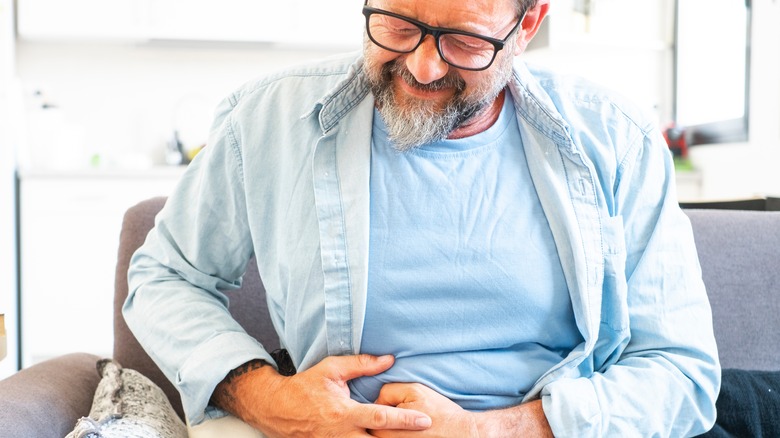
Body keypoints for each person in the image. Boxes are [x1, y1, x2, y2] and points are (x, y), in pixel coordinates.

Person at [124, 0, 721, 436]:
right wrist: (266, 396)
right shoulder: (267, 119)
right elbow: (165, 278)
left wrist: (492, 433)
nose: (424, 67)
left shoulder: (618, 139)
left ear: (527, 25)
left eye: (463, 41)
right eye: (398, 26)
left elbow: (681, 371)